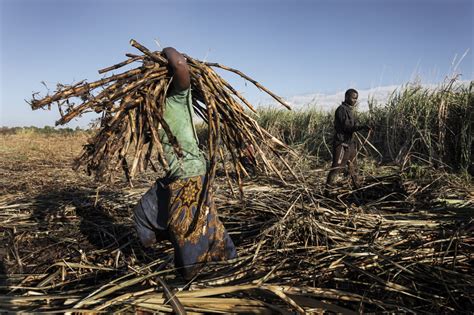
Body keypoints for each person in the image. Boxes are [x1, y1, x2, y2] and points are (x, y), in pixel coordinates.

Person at [133, 47, 237, 280]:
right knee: (143, 213)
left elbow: (180, 65)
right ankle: (156, 253)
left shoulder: (176, 97)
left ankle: (193, 275)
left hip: (189, 174)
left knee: (188, 229)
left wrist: (165, 50)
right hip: (175, 176)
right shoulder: (151, 111)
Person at [325, 89, 370, 192]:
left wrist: (364, 127)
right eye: (353, 98)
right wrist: (361, 127)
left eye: (356, 98)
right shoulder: (341, 110)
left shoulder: (349, 110)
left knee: (354, 168)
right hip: (341, 144)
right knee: (336, 168)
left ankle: (357, 189)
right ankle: (327, 191)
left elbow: (352, 126)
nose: (355, 100)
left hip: (350, 144)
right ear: (346, 97)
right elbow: (347, 127)